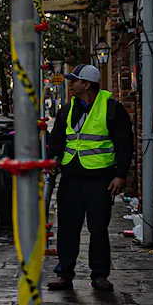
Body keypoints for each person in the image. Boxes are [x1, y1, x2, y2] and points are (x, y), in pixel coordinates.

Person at [46, 64, 135, 291]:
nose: (70, 84)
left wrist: (120, 176)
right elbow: (57, 139)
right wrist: (53, 159)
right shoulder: (67, 109)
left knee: (98, 229)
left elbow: (125, 145)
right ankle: (64, 273)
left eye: (73, 81)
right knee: (67, 228)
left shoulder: (112, 109)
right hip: (71, 179)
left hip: (100, 180)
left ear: (86, 84)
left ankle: (99, 275)